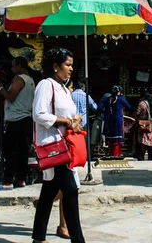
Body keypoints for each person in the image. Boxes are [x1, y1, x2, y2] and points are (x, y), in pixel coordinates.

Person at [32, 48, 85, 243]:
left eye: (72, 65)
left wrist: (75, 120)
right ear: (56, 66)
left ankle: (38, 238)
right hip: (54, 146)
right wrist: (65, 121)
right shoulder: (46, 85)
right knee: (70, 190)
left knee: (48, 193)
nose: (71, 69)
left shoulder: (63, 88)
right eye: (67, 65)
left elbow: (69, 115)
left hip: (65, 146)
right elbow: (38, 114)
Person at [0, 56, 37, 190]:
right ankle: (21, 179)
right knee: (22, 151)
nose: (12, 69)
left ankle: (7, 181)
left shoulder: (20, 78)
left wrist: (0, 88)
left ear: (19, 66)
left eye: (13, 66)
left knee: (10, 151)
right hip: (26, 118)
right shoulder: (31, 81)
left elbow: (11, 97)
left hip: (16, 119)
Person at [99, 85, 131, 157]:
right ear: (119, 92)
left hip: (108, 121)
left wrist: (106, 111)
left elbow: (99, 108)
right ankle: (116, 156)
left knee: (110, 140)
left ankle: (110, 155)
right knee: (117, 140)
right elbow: (129, 107)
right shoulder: (121, 99)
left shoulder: (106, 99)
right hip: (117, 122)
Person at [133, 91, 152, 161]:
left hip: (142, 124)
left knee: (142, 140)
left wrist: (135, 120)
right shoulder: (151, 104)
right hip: (150, 124)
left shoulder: (142, 104)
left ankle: (141, 156)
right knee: (150, 140)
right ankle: (151, 157)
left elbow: (137, 113)